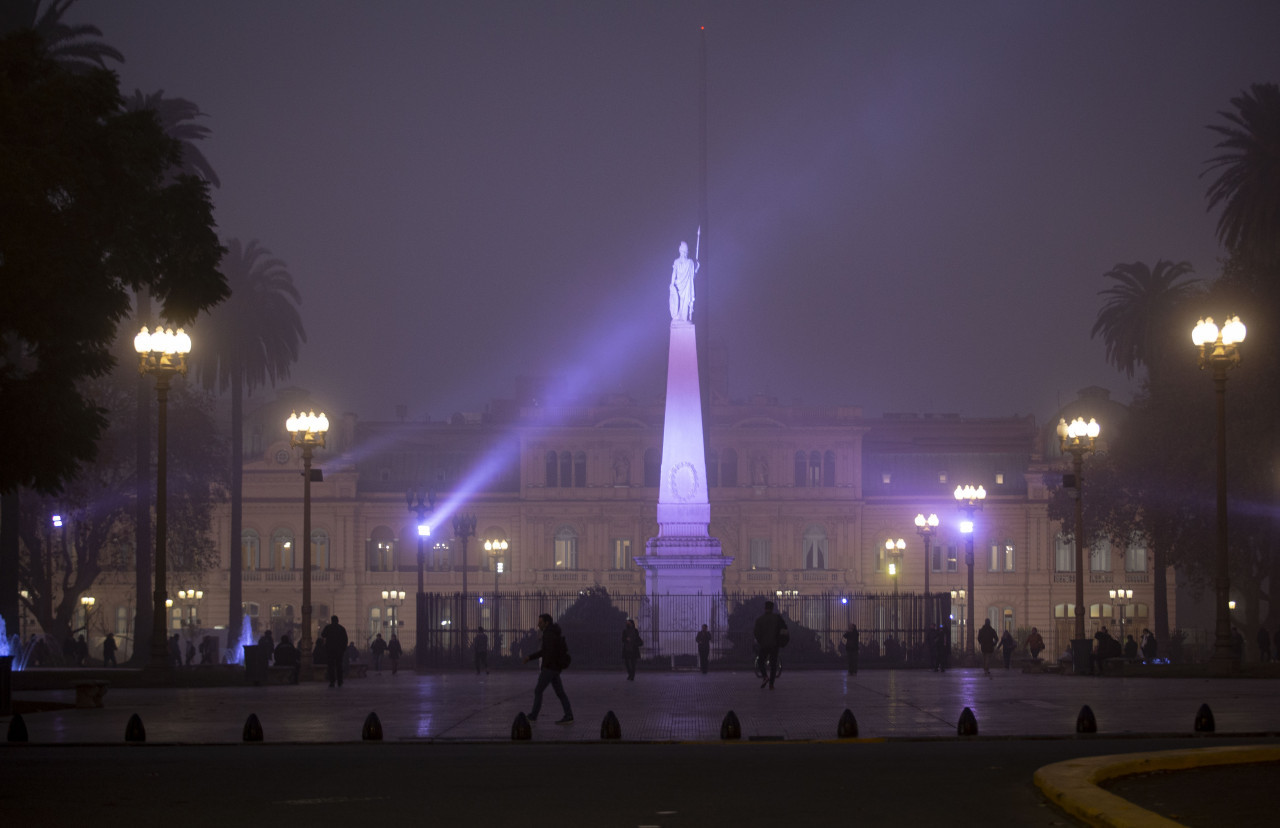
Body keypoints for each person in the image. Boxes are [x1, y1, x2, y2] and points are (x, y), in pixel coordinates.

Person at [522, 613, 573, 725]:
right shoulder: (554, 632)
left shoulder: (548, 634)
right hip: (555, 668)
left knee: (538, 690)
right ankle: (569, 715)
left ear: (546, 623)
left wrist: (540, 663)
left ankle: (533, 715)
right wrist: (530, 657)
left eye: (540, 622)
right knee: (560, 693)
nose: (538, 624)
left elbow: (546, 652)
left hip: (549, 668)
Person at [753, 600, 787, 689]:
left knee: (760, 661)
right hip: (774, 644)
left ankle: (765, 676)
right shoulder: (777, 618)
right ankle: (771, 684)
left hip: (764, 644)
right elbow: (784, 629)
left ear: (765, 608)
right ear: (772, 608)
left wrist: (761, 641)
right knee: (773, 664)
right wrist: (780, 641)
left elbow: (756, 633)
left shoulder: (760, 619)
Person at [669, 238, 699, 322]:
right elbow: (674, 274)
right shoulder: (676, 262)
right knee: (678, 302)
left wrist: (697, 268)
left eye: (685, 252)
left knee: (685, 303)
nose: (684, 253)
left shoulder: (690, 262)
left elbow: (692, 277)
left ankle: (684, 317)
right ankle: (678, 316)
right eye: (683, 251)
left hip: (686, 286)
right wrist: (671, 284)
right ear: (680, 251)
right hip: (678, 286)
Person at [320, 615, 349, 688]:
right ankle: (340, 681)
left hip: (330, 650)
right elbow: (345, 639)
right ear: (337, 620)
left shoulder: (328, 628)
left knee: (331, 666)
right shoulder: (341, 628)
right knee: (339, 666)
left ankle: (332, 681)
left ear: (331, 620)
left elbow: (323, 635)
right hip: (339, 651)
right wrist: (343, 649)